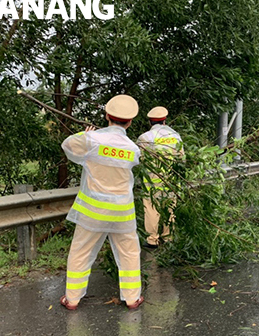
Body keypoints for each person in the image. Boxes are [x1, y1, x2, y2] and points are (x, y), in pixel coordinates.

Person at [60, 94, 144, 310]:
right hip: (122, 211)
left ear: (107, 115)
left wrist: (86, 134)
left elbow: (68, 146)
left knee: (81, 251)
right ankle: (133, 298)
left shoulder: (92, 140)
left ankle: (72, 299)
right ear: (130, 121)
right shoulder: (133, 149)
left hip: (93, 210)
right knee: (129, 253)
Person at [136, 106, 184, 250]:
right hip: (172, 180)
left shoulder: (145, 137)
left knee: (151, 209)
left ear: (150, 122)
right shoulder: (176, 136)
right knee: (170, 208)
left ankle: (152, 240)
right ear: (165, 121)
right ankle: (168, 237)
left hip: (152, 180)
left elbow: (139, 159)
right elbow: (182, 158)